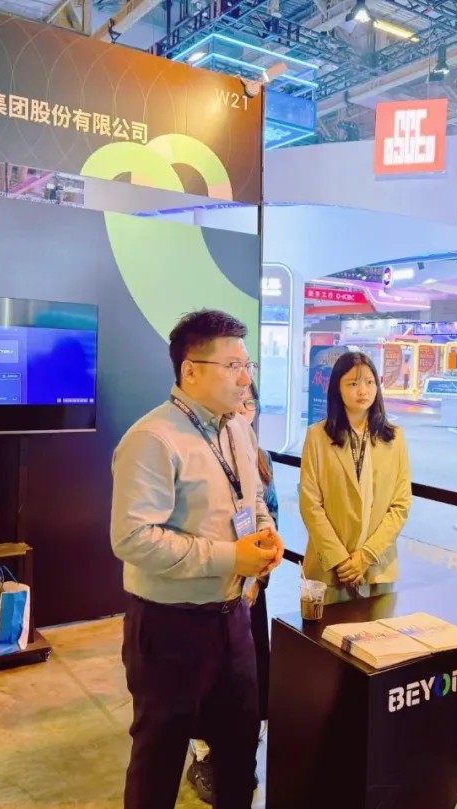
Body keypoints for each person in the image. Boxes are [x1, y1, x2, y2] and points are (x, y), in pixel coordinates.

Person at [111, 309, 284, 809]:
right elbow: (132, 538)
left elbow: (251, 498)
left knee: (239, 751)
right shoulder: (152, 439)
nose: (245, 378)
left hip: (234, 618)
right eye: (233, 366)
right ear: (190, 370)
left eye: (247, 365)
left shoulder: (236, 430)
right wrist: (232, 556)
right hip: (170, 627)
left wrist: (265, 535)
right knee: (159, 758)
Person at [187, 382, 279, 805]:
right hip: (212, 587)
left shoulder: (260, 458)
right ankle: (203, 754)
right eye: (239, 400)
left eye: (250, 401)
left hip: (250, 589)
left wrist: (257, 578)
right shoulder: (196, 449)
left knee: (247, 678)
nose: (245, 408)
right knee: (204, 680)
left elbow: (267, 514)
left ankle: (240, 752)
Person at [299, 351, 411, 604]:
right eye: (353, 383)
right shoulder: (317, 437)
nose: (363, 391)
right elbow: (310, 504)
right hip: (329, 569)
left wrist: (366, 555)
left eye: (369, 382)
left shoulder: (394, 438)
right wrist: (340, 558)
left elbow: (400, 505)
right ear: (337, 388)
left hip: (378, 568)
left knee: (378, 629)